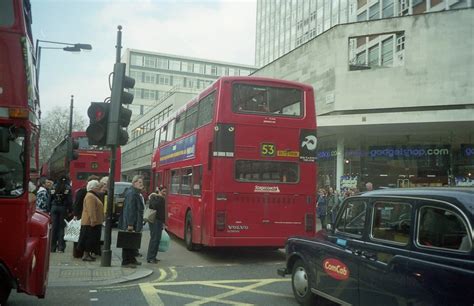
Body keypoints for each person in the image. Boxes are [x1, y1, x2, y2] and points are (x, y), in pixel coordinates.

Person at [118, 175, 145, 268]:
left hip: (134, 222)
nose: (142, 184)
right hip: (131, 223)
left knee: (133, 241)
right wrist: (130, 224)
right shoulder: (132, 194)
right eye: (140, 182)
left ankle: (132, 259)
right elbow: (130, 210)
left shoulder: (135, 192)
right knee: (128, 242)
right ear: (134, 183)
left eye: (142, 182)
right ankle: (126, 262)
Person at [77, 180, 104, 261]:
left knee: (91, 239)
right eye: (98, 187)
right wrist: (93, 220)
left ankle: (87, 254)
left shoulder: (92, 195)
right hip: (89, 223)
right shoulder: (90, 196)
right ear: (94, 188)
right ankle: (86, 255)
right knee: (88, 239)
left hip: (92, 222)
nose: (99, 189)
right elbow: (91, 209)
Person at [50, 177, 72, 253]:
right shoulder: (67, 188)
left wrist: (48, 209)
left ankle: (52, 247)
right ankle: (60, 247)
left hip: (54, 207)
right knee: (61, 228)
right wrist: (70, 210)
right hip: (63, 208)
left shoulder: (53, 187)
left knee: (54, 227)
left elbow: (50, 198)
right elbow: (69, 200)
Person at [146, 186, 167, 264]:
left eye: (165, 192)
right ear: (159, 191)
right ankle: (150, 257)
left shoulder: (161, 198)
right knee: (154, 239)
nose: (165, 193)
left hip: (159, 221)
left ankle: (154, 256)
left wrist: (163, 223)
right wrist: (158, 196)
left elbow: (162, 212)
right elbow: (153, 206)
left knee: (157, 239)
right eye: (163, 191)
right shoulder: (154, 197)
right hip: (154, 220)